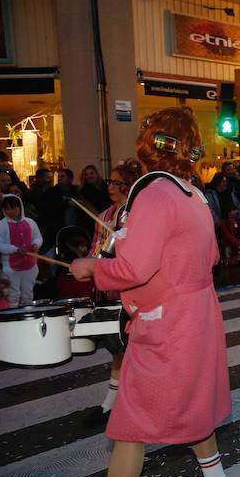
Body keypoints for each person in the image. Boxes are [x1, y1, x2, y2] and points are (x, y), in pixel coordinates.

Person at [69, 107, 237, 477]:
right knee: (191, 402)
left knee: (130, 422)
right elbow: (212, 256)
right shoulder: (191, 193)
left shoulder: (154, 194)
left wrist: (93, 268)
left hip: (167, 323)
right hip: (197, 314)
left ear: (149, 143)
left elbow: (134, 269)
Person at [83, 158, 143, 428]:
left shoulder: (138, 212)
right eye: (111, 181)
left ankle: (127, 402)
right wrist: (89, 265)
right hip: (111, 287)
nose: (112, 187)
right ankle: (112, 402)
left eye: (119, 183)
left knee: (135, 347)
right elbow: (97, 248)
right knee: (117, 347)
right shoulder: (105, 215)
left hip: (133, 288)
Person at [0, 194, 43, 307]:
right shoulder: (0, 225)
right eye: (6, 208)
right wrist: (14, 249)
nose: (10, 211)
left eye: (13, 208)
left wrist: (36, 245)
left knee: (28, 295)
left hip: (30, 264)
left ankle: (28, 316)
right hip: (11, 267)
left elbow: (38, 237)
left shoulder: (30, 222)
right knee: (12, 295)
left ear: (20, 207)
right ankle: (13, 317)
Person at [218, 204, 240, 285]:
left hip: (237, 245)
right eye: (234, 210)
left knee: (236, 262)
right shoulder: (223, 222)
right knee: (228, 263)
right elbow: (226, 235)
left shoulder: (238, 221)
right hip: (228, 245)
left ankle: (235, 280)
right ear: (229, 212)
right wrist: (237, 243)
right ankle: (228, 281)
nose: (236, 212)